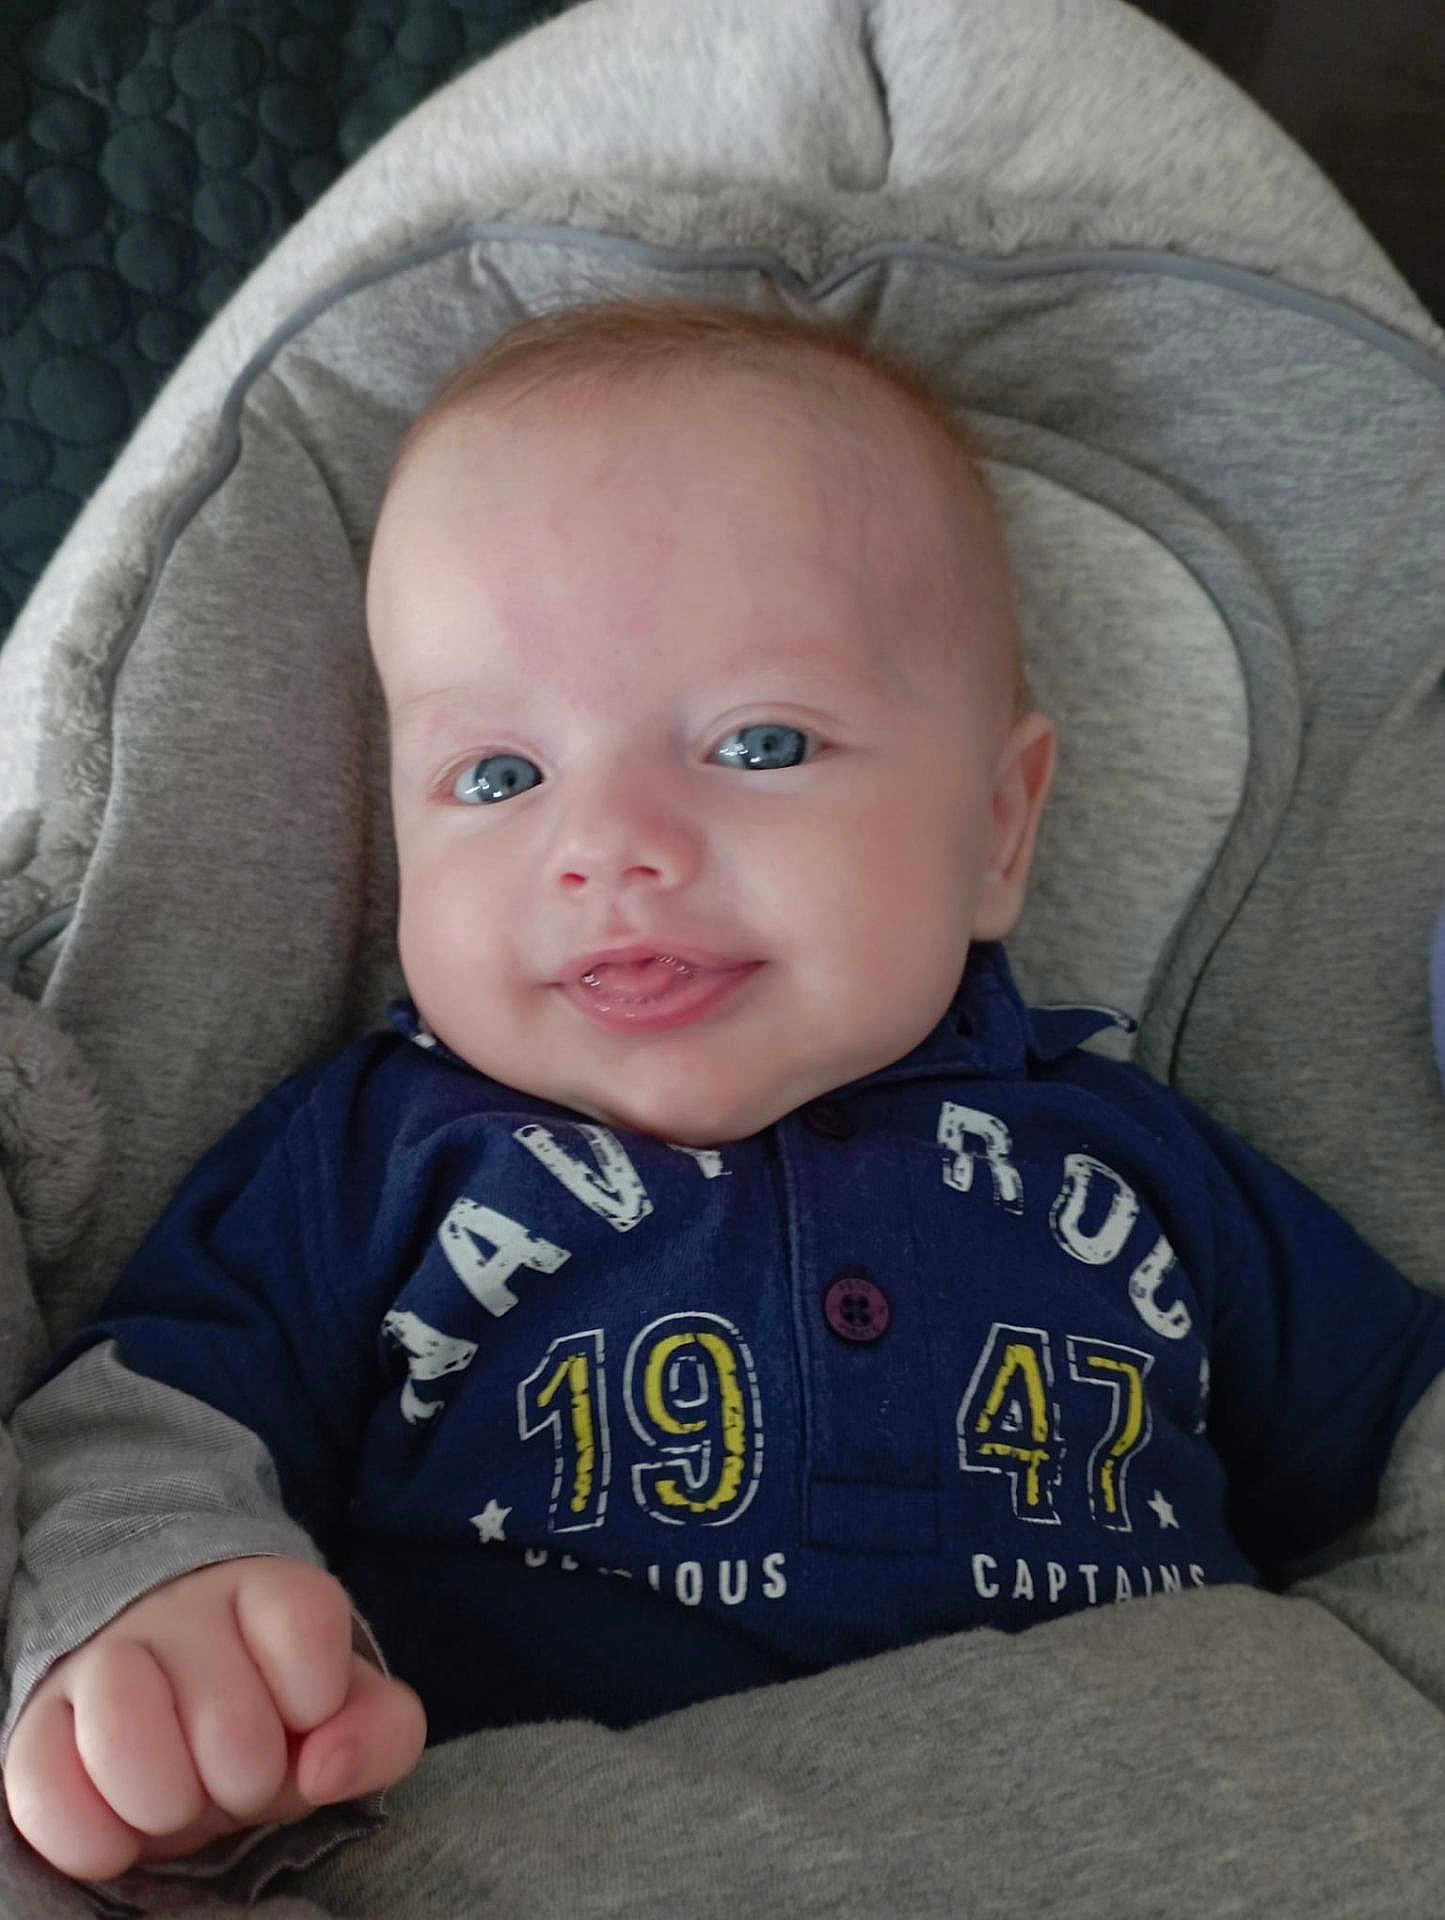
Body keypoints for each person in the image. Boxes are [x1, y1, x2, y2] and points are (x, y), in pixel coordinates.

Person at [5, 300, 1443, 1884]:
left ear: (995, 829)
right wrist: (168, 1609)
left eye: (759, 744)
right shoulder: (371, 1159)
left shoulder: (1132, 1159)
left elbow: (1402, 1431)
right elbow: (134, 1422)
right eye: (498, 777)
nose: (607, 844)